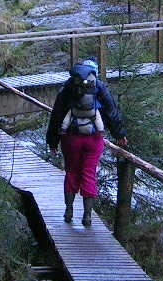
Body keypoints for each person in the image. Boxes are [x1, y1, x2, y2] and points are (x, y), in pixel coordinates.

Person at [46, 59, 128, 227]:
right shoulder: (99, 86)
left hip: (70, 138)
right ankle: (87, 216)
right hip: (94, 139)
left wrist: (52, 141)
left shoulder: (68, 86)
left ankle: (69, 211)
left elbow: (57, 115)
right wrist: (120, 134)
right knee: (89, 174)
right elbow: (112, 110)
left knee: (71, 172)